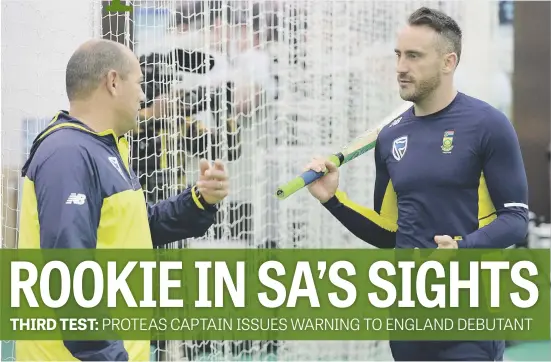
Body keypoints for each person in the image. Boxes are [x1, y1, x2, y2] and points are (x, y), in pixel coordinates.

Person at [304, 7, 528, 361]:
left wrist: (461, 248)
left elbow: (515, 219)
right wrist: (333, 200)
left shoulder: (488, 125)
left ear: (448, 61)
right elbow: (389, 233)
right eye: (398, 54)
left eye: (414, 56)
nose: (400, 67)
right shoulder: (390, 137)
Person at [16, 38, 230, 362]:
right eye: (140, 84)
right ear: (113, 82)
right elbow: (69, 274)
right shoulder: (68, 154)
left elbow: (136, 228)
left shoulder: (107, 147)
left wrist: (199, 200)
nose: (144, 96)